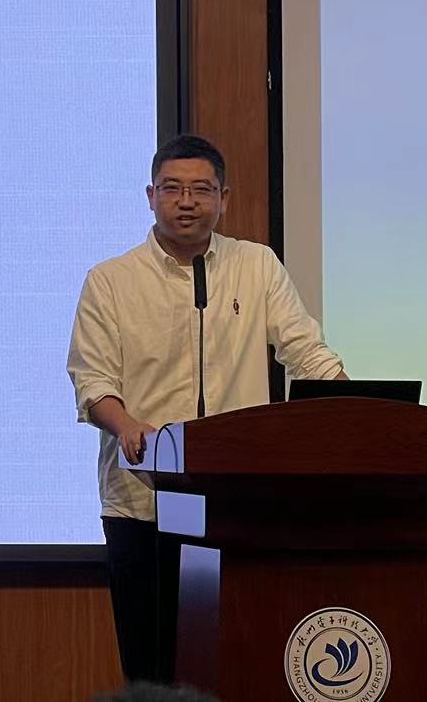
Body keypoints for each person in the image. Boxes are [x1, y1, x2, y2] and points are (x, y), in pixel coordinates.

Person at [67, 134, 346, 684]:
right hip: (143, 501)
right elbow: (92, 379)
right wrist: (127, 425)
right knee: (153, 668)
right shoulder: (111, 280)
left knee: (241, 659)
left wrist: (350, 404)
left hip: (238, 501)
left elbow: (305, 352)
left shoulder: (256, 266)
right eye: (173, 189)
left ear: (224, 199)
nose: (187, 202)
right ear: (151, 196)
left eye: (201, 190)